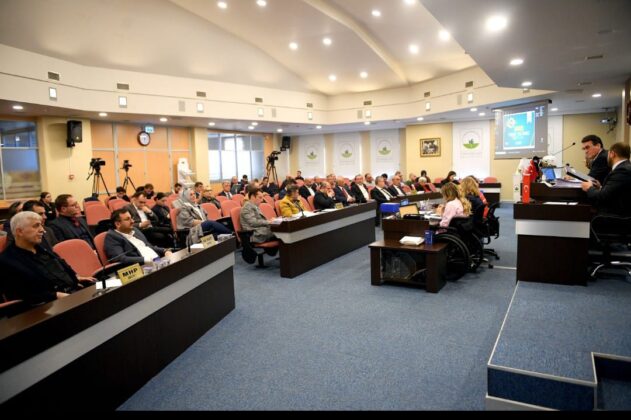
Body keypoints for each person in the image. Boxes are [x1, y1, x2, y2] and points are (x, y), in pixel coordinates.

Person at [0, 211, 94, 308]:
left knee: (103, 285)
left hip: (73, 292)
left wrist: (75, 277)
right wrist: (54, 295)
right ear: (19, 231)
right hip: (49, 307)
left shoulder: (42, 249)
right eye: (36, 226)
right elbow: (20, 294)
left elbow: (62, 266)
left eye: (41, 225)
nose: (42, 230)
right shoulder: (7, 261)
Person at [104, 209, 172, 266]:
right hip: (143, 267)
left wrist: (164, 250)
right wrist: (147, 260)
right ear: (118, 224)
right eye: (127, 219)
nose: (132, 221)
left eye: (131, 218)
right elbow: (121, 258)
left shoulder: (135, 230)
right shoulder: (112, 237)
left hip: (158, 261)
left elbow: (148, 246)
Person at [581, 142, 631, 217]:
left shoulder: (622, 170)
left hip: (614, 217)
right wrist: (600, 187)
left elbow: (602, 197)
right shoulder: (624, 167)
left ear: (612, 154)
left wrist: (589, 188)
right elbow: (615, 192)